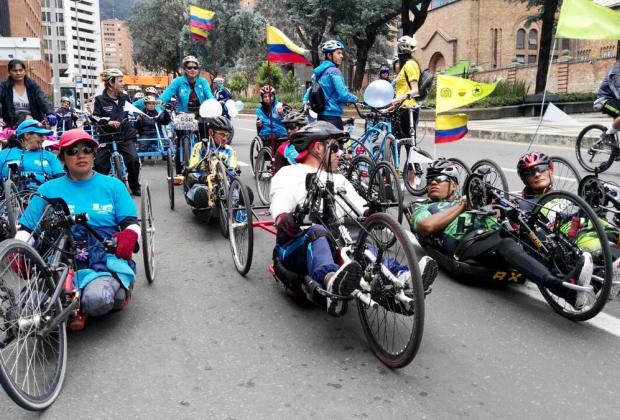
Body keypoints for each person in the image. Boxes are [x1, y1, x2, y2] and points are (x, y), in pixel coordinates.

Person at [270, 121, 437, 315]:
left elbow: (360, 209)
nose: (339, 153)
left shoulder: (339, 180)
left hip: (334, 242)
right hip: (294, 245)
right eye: (334, 148)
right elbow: (280, 204)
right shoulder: (290, 173)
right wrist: (284, 218)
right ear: (317, 147)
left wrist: (372, 210)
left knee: (360, 248)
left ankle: (404, 277)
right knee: (318, 232)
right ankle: (330, 281)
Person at [409, 160, 594, 310]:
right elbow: (426, 227)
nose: (433, 182)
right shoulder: (425, 207)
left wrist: (498, 207)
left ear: (453, 185)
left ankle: (589, 276)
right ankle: (564, 290)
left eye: (439, 178)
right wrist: (462, 206)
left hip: (493, 233)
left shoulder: (469, 198)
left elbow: (497, 212)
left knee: (529, 231)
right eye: (430, 179)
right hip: (468, 242)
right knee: (505, 243)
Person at [17, 129, 140, 331]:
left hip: (102, 258)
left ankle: (88, 303)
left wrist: (128, 236)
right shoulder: (48, 190)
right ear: (63, 158)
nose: (81, 155)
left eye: (87, 149)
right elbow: (26, 228)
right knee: (30, 308)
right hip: (58, 258)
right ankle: (66, 305)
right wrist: (19, 250)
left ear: (94, 154)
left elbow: (130, 222)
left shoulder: (113, 186)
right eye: (73, 150)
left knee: (97, 300)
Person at [516, 151, 620, 300]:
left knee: (614, 232)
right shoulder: (526, 205)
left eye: (541, 169)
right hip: (570, 234)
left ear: (550, 170)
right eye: (529, 172)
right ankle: (606, 277)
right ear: (524, 179)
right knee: (607, 250)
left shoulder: (562, 193)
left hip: (589, 221)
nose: (537, 174)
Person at [158, 56, 215, 173]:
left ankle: (205, 162)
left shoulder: (203, 82)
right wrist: (159, 104)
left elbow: (210, 96)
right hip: (184, 114)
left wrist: (213, 104)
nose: (192, 70)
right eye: (189, 67)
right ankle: (179, 170)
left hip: (201, 114)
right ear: (185, 69)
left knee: (204, 140)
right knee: (181, 141)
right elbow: (165, 96)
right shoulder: (178, 81)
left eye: (195, 67)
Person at [93, 68, 142, 196]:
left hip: (125, 135)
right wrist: (107, 121)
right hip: (107, 136)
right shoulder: (99, 100)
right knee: (98, 164)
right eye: (120, 81)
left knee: (133, 159)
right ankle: (102, 190)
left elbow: (130, 111)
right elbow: (95, 117)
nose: (123, 83)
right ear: (111, 82)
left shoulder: (125, 97)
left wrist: (135, 116)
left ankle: (135, 185)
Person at [184, 116, 237, 209]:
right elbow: (192, 167)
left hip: (224, 184)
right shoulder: (200, 146)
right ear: (211, 133)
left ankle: (231, 205)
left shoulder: (230, 150)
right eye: (222, 134)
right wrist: (202, 177)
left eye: (227, 135)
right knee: (201, 194)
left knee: (246, 193)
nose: (225, 139)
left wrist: (231, 175)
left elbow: (232, 169)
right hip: (204, 183)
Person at [0, 119, 64, 186]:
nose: (44, 138)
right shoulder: (4, 154)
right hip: (12, 194)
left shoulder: (50, 156)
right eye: (40, 135)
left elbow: (60, 181)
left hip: (43, 194)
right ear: (27, 135)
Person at [312, 40, 357, 130]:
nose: (341, 56)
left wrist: (344, 101)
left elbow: (326, 93)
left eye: (341, 53)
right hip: (333, 118)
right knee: (338, 143)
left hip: (321, 117)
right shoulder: (334, 71)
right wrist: (355, 99)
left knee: (323, 144)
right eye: (338, 53)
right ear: (329, 55)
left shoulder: (318, 73)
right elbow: (343, 95)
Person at [0, 59, 56, 129]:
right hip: (12, 125)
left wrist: (50, 113)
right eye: (15, 70)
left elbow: (42, 100)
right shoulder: (4, 87)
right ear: (9, 72)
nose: (18, 73)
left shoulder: (33, 86)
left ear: (24, 71)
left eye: (20, 70)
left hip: (33, 123)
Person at [594, 59, 620, 142]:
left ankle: (615, 150)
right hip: (604, 101)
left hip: (615, 101)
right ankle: (607, 135)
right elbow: (618, 90)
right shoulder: (615, 73)